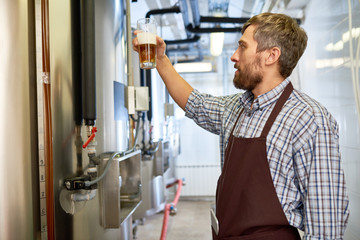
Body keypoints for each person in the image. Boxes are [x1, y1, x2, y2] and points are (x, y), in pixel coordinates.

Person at [133, 12, 349, 240]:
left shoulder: (309, 119)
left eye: (243, 47)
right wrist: (160, 61)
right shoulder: (237, 108)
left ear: (271, 56)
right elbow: (196, 104)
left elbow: (327, 228)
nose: (234, 56)